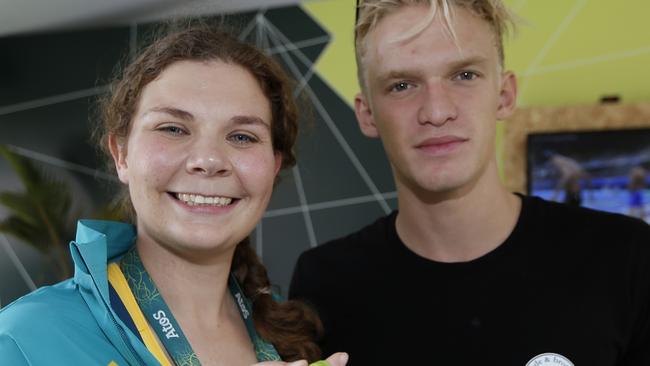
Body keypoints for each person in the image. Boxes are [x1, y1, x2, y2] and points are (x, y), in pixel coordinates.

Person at [289, 1, 650, 365]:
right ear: (367, 115)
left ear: (505, 95)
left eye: (464, 76)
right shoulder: (324, 283)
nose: (437, 111)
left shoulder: (625, 257)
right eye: (401, 85)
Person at [0, 27, 348, 366]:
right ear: (121, 154)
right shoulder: (23, 338)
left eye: (242, 137)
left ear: (273, 166)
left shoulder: (290, 337)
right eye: (173, 129)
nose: (209, 161)